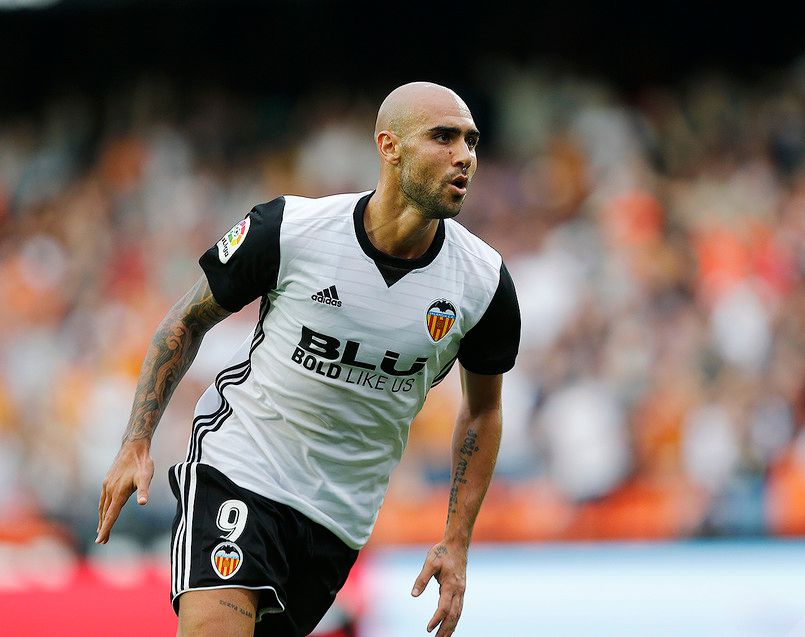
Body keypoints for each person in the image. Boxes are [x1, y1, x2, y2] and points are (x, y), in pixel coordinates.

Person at [95, 81, 521, 637]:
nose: (464, 155)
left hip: (339, 517)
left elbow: (484, 410)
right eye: (442, 137)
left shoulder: (484, 285)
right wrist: (136, 441)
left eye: (471, 141)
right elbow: (185, 321)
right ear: (388, 146)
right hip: (243, 465)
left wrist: (456, 541)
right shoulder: (290, 230)